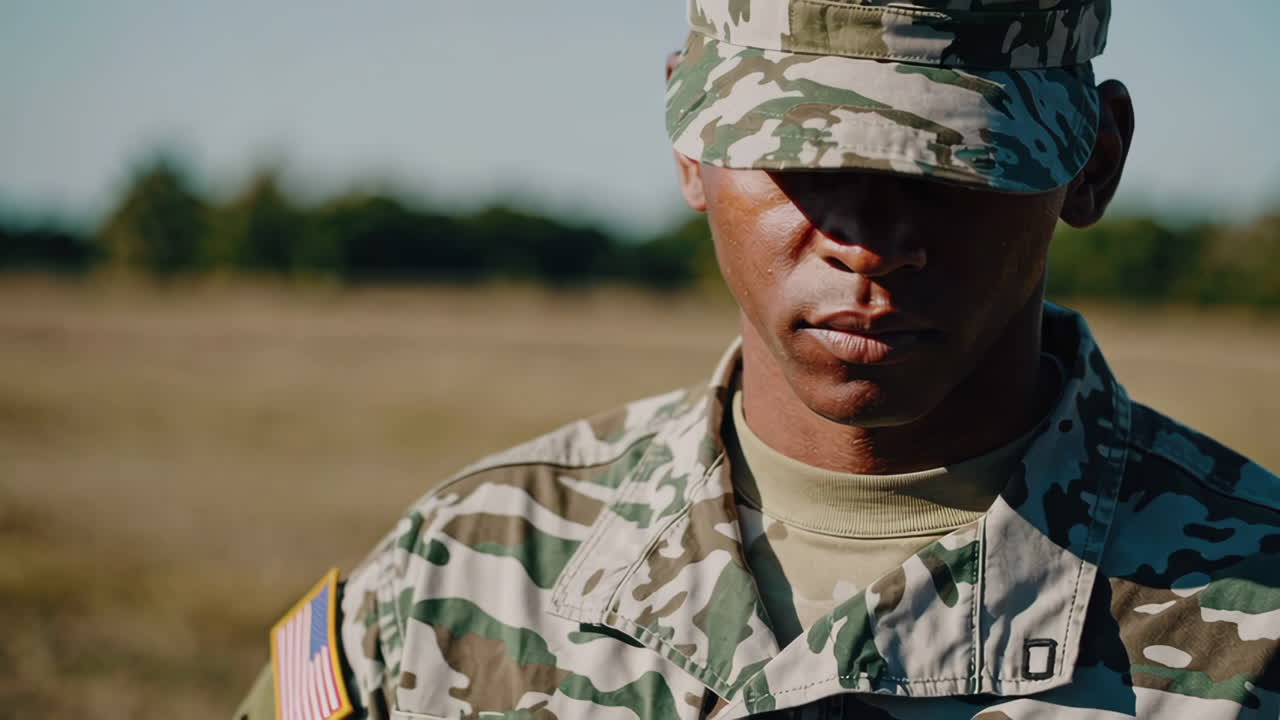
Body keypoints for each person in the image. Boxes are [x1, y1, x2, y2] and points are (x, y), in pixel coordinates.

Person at [236, 1, 1280, 718]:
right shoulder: (458, 576)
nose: (870, 240)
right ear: (689, 139)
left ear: (1092, 161)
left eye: (954, 161)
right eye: (803, 152)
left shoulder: (1256, 627)